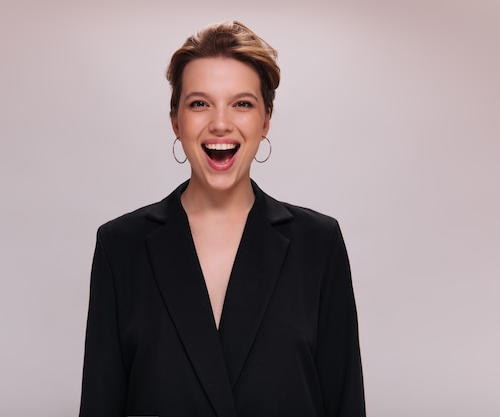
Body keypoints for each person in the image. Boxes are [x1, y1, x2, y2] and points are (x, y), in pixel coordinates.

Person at [79, 21, 366, 417]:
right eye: (199, 103)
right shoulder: (120, 247)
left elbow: (344, 401)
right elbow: (100, 403)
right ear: (175, 120)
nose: (220, 123)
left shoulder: (318, 244)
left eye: (242, 104)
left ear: (265, 121)